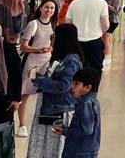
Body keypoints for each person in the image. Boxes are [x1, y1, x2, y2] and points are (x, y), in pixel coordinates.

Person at [27, 24, 83, 158]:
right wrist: (39, 78)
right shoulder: (61, 57)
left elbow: (64, 85)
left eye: (53, 37)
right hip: (51, 106)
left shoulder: (71, 60)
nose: (51, 39)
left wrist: (41, 81)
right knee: (45, 146)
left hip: (59, 109)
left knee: (54, 147)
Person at [17, 0, 56, 137]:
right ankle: (21, 124)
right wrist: (39, 49)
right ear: (40, 8)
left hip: (47, 62)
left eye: (52, 8)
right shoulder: (33, 24)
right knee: (25, 93)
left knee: (46, 91)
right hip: (32, 62)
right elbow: (23, 46)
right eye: (46, 7)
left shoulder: (54, 25)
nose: (49, 10)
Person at [52, 68, 101, 158]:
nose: (72, 87)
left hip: (79, 151)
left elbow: (86, 130)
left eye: (76, 84)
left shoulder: (86, 104)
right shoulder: (92, 101)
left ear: (87, 88)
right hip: (86, 149)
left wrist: (66, 131)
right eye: (73, 83)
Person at [64, 0, 109, 72]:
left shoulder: (74, 3)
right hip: (94, 40)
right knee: (95, 68)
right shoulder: (102, 3)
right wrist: (99, 32)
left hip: (77, 41)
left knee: (77, 67)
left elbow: (67, 23)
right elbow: (106, 25)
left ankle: (78, 86)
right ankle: (92, 86)